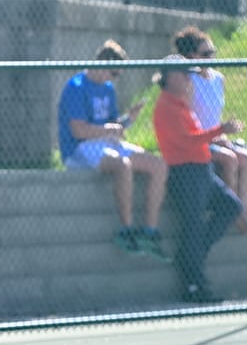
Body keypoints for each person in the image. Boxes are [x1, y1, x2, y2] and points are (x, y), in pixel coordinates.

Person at [57, 39, 169, 260]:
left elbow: (111, 126)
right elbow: (79, 131)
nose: (114, 79)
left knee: (158, 165)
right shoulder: (76, 87)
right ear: (102, 64)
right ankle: (127, 231)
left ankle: (149, 232)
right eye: (114, 73)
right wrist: (110, 129)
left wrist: (127, 120)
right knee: (122, 165)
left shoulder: (107, 88)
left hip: (103, 144)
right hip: (79, 149)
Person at [151, 56, 244, 304]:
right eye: (184, 74)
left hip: (203, 170)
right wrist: (220, 130)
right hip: (185, 172)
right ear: (171, 77)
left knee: (231, 206)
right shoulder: (166, 107)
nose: (188, 79)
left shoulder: (182, 104)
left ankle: (191, 255)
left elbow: (195, 137)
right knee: (192, 225)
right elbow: (187, 140)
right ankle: (194, 285)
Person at [173, 26, 247, 236]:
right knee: (229, 159)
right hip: (198, 140)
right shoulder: (188, 81)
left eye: (213, 53)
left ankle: (244, 215)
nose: (211, 58)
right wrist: (214, 136)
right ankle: (231, 211)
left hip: (216, 137)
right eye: (205, 54)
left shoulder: (218, 79)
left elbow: (214, 116)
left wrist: (221, 134)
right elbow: (189, 122)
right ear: (192, 56)